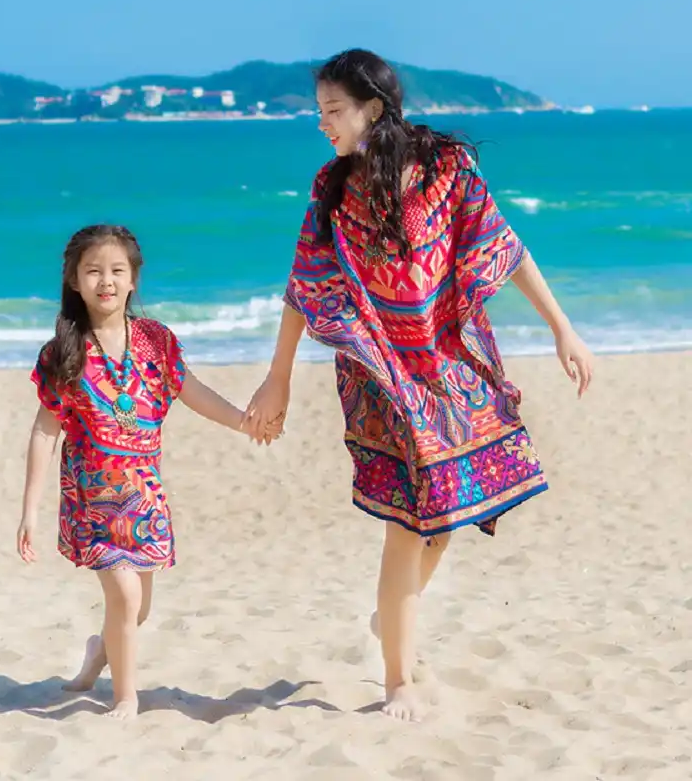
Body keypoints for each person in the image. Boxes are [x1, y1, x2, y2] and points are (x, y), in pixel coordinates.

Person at [243, 49, 594, 722]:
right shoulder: (332, 189)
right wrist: (277, 377)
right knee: (410, 524)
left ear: (372, 108)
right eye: (319, 112)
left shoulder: (446, 171)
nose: (323, 124)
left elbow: (504, 245)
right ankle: (397, 680)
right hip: (380, 373)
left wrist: (563, 330)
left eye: (333, 111)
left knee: (446, 516)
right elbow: (306, 282)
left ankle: (389, 620)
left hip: (449, 364)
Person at [16, 224, 279, 719]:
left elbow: (192, 391)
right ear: (74, 280)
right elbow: (44, 432)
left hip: (144, 498)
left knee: (136, 610)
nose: (105, 281)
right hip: (91, 501)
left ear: (134, 279)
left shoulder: (157, 341)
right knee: (126, 593)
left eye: (117, 271)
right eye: (93, 271)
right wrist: (29, 510)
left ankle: (99, 650)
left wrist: (244, 422)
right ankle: (125, 698)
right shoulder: (62, 354)